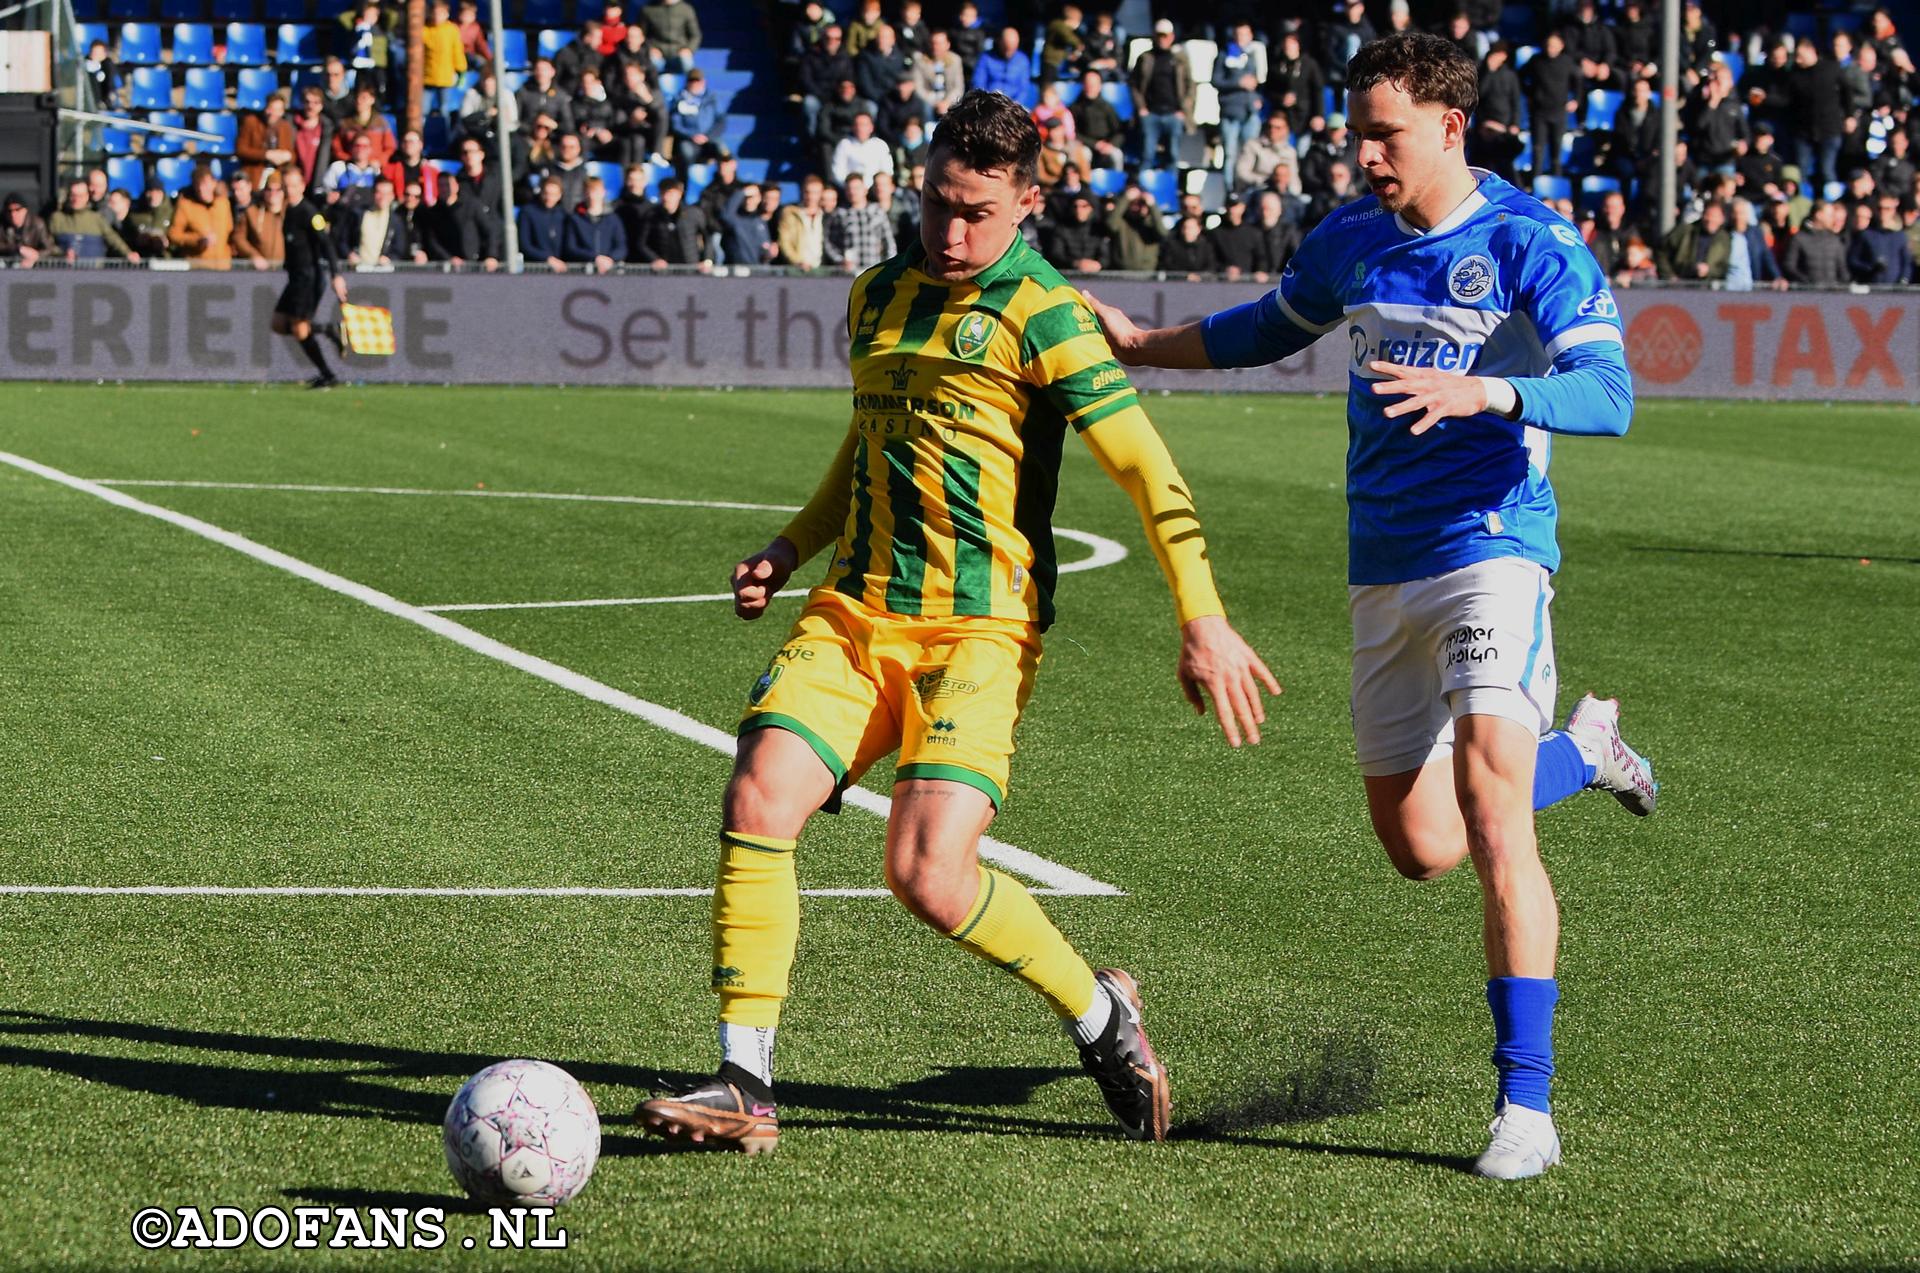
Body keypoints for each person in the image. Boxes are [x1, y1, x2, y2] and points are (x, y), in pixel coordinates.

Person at [636, 89, 1276, 1153]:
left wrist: (1201, 618)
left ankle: (1102, 1015)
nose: (950, 230)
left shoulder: (1048, 317)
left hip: (978, 631)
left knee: (927, 874)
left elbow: (1147, 470)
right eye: (935, 201)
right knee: (757, 793)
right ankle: (743, 1085)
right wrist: (792, 546)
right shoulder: (878, 293)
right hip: (854, 613)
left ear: (1029, 202)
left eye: (977, 211)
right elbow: (871, 443)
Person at [1085, 33, 1657, 1181]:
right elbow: (1265, 327)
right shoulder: (1352, 235)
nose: (1364, 152)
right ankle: (1582, 751)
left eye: (1384, 132)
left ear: (1450, 126)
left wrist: (1486, 388)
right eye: (1357, 130)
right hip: (1380, 563)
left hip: (1493, 549)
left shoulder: (1527, 239)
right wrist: (1146, 344)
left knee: (1494, 823)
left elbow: (1610, 391)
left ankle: (1525, 1109)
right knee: (1422, 845)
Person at [272, 166, 349, 389]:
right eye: (286, 186)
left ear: (302, 186)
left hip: (310, 278)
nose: (289, 190)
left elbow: (326, 244)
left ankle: (328, 375)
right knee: (278, 324)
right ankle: (328, 330)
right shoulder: (289, 210)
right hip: (296, 278)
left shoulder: (309, 213)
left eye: (293, 186)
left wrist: (336, 276)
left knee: (299, 329)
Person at [48, 179, 139, 262]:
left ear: (87, 196)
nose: (76, 199)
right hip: (63, 273)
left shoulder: (96, 218)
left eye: (80, 195)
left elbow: (113, 239)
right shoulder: (57, 218)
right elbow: (48, 245)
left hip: (94, 274)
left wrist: (128, 253)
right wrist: (61, 253)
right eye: (73, 195)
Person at [168, 166, 235, 269]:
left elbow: (229, 230)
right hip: (198, 268)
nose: (201, 188)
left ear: (214, 183)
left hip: (223, 267)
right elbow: (174, 234)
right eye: (198, 184)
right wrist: (197, 240)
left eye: (205, 184)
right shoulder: (185, 205)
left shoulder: (223, 203)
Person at [419, 0, 468, 124]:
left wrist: (461, 69)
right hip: (427, 77)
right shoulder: (425, 30)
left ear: (446, 14)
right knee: (423, 109)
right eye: (435, 13)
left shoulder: (451, 30)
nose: (437, 16)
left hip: (445, 77)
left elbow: (457, 51)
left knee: (444, 109)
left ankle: (444, 135)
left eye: (440, 13)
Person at [232, 174, 287, 268]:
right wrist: (253, 255)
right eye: (269, 189)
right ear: (264, 191)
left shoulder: (291, 212)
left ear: (283, 192)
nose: (273, 193)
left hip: (286, 269)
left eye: (277, 190)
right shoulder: (252, 212)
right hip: (260, 271)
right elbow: (238, 237)